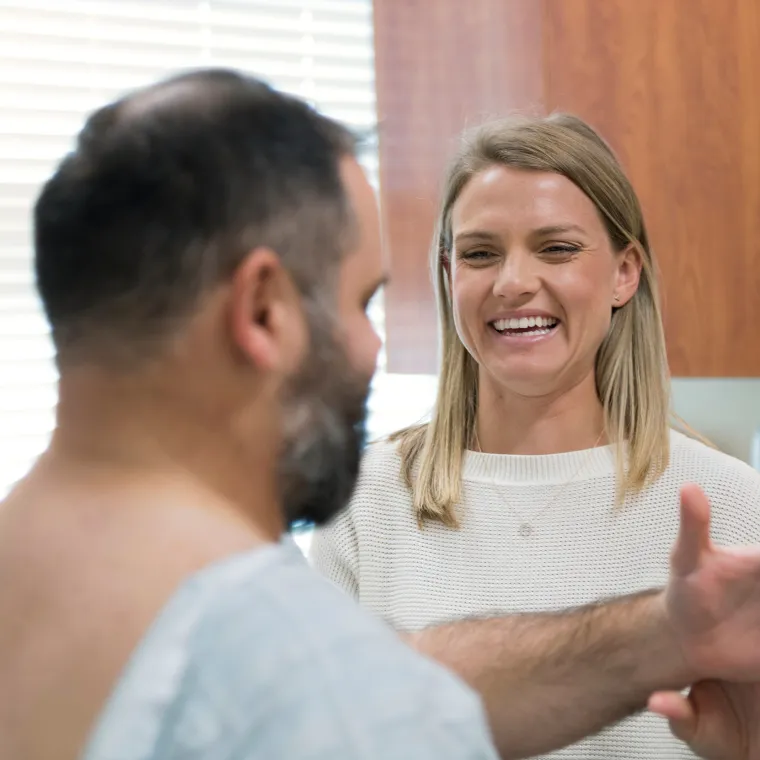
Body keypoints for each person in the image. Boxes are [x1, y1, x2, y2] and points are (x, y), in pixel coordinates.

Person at [0, 70, 757, 760]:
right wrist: (666, 637)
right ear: (261, 309)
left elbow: (390, 690)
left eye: (556, 248)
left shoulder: (45, 564)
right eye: (360, 300)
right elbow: (381, 701)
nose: (373, 341)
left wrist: (669, 636)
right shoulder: (232, 618)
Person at [310, 113, 760, 759]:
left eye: (557, 248)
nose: (513, 282)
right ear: (448, 275)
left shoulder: (730, 506)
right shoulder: (367, 501)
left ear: (623, 274)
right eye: (480, 253)